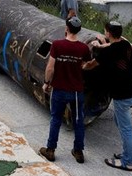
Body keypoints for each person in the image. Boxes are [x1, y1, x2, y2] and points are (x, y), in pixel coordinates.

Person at [85, 21, 132, 171]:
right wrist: (101, 44)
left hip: (122, 95)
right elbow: (112, 46)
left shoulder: (108, 53)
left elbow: (91, 65)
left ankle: (128, 161)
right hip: (131, 92)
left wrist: (81, 66)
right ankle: (128, 154)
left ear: (108, 33)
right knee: (119, 121)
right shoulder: (125, 45)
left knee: (125, 128)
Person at [40, 16, 92, 164]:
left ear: (66, 29)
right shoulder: (83, 48)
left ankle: (50, 150)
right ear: (79, 30)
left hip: (59, 89)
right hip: (76, 91)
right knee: (78, 121)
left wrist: (46, 82)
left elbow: (50, 67)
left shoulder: (57, 45)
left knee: (55, 119)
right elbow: (86, 64)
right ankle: (78, 151)